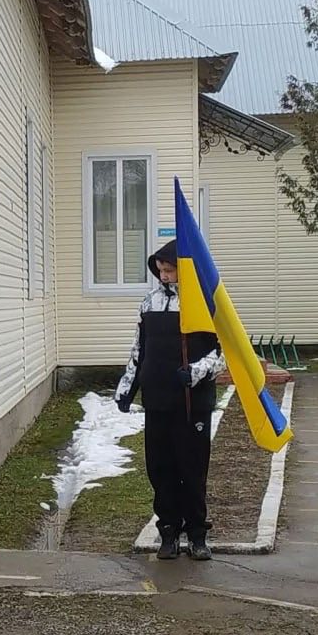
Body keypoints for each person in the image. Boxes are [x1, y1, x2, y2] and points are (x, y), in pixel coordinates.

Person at [116, 240, 224, 561]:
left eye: (169, 269)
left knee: (191, 469)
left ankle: (197, 535)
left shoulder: (203, 304)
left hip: (193, 403)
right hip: (158, 401)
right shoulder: (149, 304)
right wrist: (127, 388)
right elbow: (140, 350)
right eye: (160, 270)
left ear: (184, 270)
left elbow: (223, 353)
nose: (164, 276)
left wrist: (195, 372)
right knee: (160, 468)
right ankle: (168, 532)